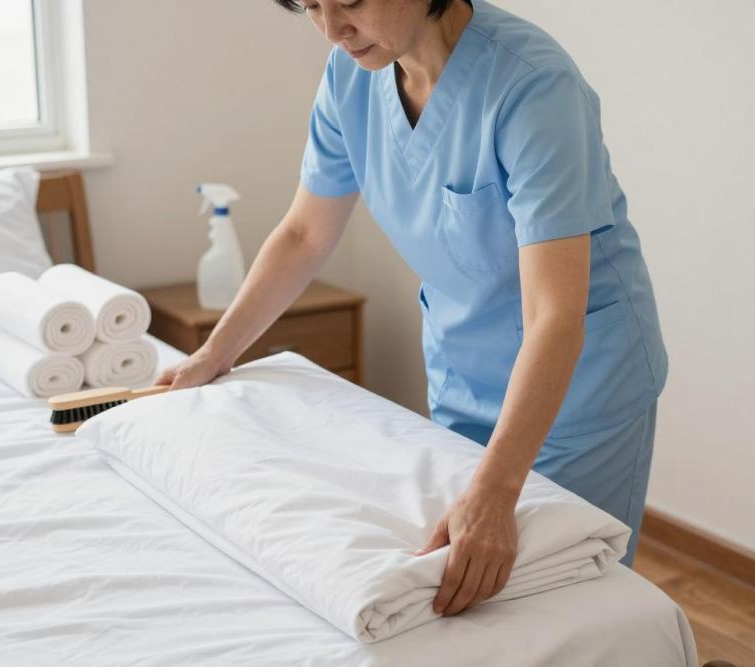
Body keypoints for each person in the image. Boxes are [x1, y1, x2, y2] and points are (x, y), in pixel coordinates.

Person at [156, 0, 667, 619]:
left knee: (565, 606)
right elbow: (305, 235)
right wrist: (215, 353)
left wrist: (496, 489)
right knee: (464, 593)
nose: (332, 29)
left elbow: (555, 314)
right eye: (312, 6)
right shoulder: (352, 76)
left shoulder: (533, 86)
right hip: (462, 370)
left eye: (350, 1)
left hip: (579, 388)